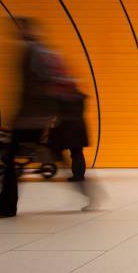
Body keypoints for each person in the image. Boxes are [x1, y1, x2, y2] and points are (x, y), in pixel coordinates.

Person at [0, 18, 57, 218]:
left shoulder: (32, 52)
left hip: (29, 118)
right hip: (36, 117)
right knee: (12, 158)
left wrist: (21, 115)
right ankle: (5, 204)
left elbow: (32, 88)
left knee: (8, 158)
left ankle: (5, 206)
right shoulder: (42, 52)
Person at [48, 54, 88, 182]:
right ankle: (79, 175)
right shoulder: (78, 96)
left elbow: (58, 109)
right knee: (77, 153)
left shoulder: (63, 95)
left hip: (69, 128)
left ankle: (77, 176)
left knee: (72, 152)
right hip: (79, 126)